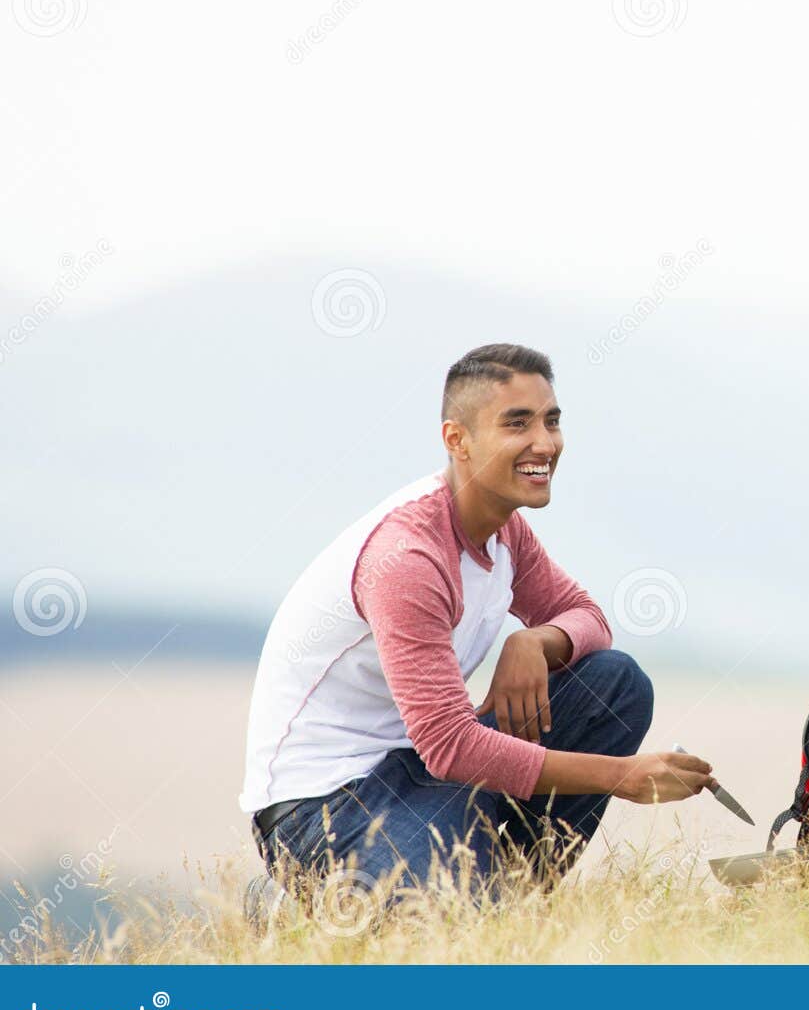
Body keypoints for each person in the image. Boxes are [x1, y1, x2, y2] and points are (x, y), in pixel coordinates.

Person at [239, 343, 714, 902]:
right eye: (517, 424)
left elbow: (589, 620)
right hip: (327, 804)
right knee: (434, 934)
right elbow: (451, 746)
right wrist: (622, 776)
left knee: (613, 682)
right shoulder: (409, 557)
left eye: (552, 421)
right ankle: (296, 900)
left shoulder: (503, 528)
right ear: (456, 440)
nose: (545, 443)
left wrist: (533, 640)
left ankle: (511, 896)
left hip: (422, 777)